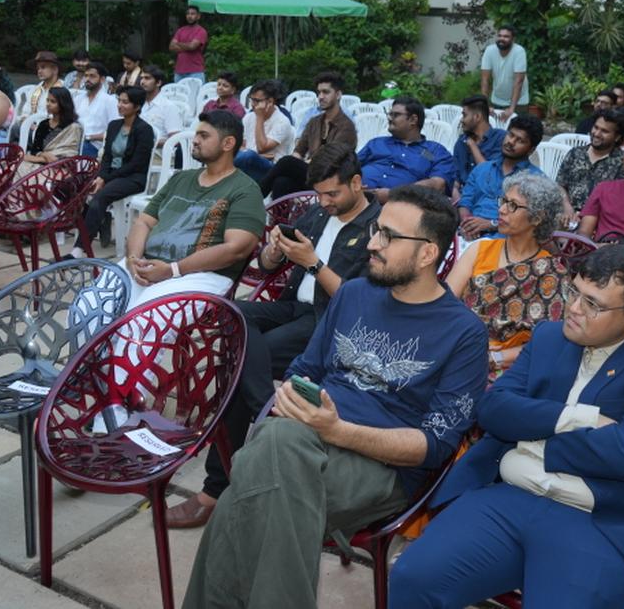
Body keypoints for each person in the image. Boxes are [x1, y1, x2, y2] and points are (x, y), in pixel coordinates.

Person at [182, 185, 487, 609]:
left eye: (387, 237)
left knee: (251, 480)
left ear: (427, 254)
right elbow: (302, 371)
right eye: (375, 230)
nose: (372, 243)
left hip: (382, 468)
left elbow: (434, 447)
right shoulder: (354, 293)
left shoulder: (464, 334)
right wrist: (294, 400)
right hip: (307, 439)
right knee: (275, 457)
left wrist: (336, 430)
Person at [390, 244, 624, 609]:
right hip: (509, 498)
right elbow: (493, 410)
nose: (574, 309)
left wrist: (533, 440)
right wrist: (580, 419)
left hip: (600, 521)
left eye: (593, 305)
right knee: (413, 578)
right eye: (575, 293)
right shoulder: (550, 337)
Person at [169, 143, 381, 529]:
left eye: (333, 193)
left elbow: (360, 304)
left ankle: (216, 488)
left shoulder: (377, 230)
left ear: (356, 182)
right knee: (231, 314)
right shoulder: (317, 213)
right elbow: (271, 263)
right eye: (318, 192)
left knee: (241, 357)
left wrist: (313, 263)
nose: (324, 201)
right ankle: (266, 405)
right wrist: (272, 252)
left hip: (330, 321)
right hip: (291, 306)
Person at [114, 109, 265, 308]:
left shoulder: (245, 190)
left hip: (198, 276)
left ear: (228, 143)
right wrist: (132, 259)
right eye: (196, 134)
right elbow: (143, 222)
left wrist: (173, 270)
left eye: (204, 136)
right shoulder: (180, 179)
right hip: (146, 265)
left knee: (138, 323)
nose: (195, 140)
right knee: (91, 309)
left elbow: (236, 249)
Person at [447, 171, 567, 376]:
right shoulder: (480, 249)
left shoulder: (552, 271)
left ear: (537, 217)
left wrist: (494, 359)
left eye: (512, 205)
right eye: (503, 201)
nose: (501, 210)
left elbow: (549, 341)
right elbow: (445, 305)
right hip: (459, 346)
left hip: (510, 367)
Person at [69, 85, 154, 260]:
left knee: (100, 196)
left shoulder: (144, 130)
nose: (120, 105)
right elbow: (107, 156)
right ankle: (101, 219)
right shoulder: (114, 125)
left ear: (137, 107)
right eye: (119, 101)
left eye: (125, 102)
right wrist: (101, 176)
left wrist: (104, 179)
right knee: (79, 188)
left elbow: (137, 164)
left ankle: (79, 249)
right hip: (110, 174)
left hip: (133, 177)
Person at [259, 72, 356, 199]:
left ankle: (253, 199)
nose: (320, 96)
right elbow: (299, 150)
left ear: (338, 95)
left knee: (287, 162)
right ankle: (280, 219)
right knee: (281, 182)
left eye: (326, 92)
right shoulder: (314, 122)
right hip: (311, 174)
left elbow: (331, 160)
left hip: (332, 178)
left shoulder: (347, 126)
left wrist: (297, 163)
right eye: (319, 92)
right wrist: (297, 160)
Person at [458, 115, 544, 239]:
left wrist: (490, 224)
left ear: (531, 150)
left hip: (506, 241)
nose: (511, 142)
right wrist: (468, 224)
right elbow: (465, 202)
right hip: (469, 235)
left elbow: (528, 222)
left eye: (520, 140)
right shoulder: (482, 169)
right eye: (510, 135)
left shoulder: (536, 180)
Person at [359, 96, 457, 202]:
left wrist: (394, 195)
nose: (389, 118)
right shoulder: (376, 143)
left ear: (413, 120)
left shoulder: (432, 152)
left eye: (395, 115)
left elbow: (438, 184)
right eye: (390, 114)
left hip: (404, 206)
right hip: (358, 201)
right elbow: (348, 166)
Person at [558, 109, 624, 211]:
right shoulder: (575, 153)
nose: (597, 133)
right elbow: (560, 185)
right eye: (596, 127)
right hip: (567, 214)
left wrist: (587, 216)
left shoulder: (622, 163)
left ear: (617, 137)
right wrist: (567, 207)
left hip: (600, 219)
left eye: (604, 131)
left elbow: (618, 200)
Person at [234, 79, 295, 182]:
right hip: (247, 163)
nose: (253, 104)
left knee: (248, 156)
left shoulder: (282, 121)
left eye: (257, 101)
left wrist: (260, 118)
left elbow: (262, 148)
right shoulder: (248, 117)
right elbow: (241, 145)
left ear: (270, 101)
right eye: (251, 99)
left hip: (271, 168)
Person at [16, 86, 83, 178]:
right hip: (39, 163)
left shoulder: (73, 127)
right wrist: (45, 155)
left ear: (63, 104)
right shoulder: (44, 124)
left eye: (53, 102)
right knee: (12, 167)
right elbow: (35, 150)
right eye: (47, 100)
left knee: (31, 177)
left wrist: (46, 158)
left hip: (60, 168)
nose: (48, 104)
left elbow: (68, 157)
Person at [453, 94, 507, 192]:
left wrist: (472, 145)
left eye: (464, 115)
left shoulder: (500, 138)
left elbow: (489, 174)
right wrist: (455, 191)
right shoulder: (461, 141)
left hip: (488, 195)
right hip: (463, 195)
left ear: (477, 117)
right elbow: (456, 175)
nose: (462, 120)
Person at [480, 25, 528, 122]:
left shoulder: (519, 51)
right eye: (499, 35)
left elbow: (519, 81)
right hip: (497, 98)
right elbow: (485, 80)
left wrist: (511, 108)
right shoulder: (490, 50)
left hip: (518, 102)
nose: (502, 38)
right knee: (496, 131)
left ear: (513, 39)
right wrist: (486, 105)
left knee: (516, 131)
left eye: (506, 36)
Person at [74, 61, 119, 158]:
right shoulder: (78, 98)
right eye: (86, 76)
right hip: (76, 141)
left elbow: (115, 131)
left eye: (92, 76)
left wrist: (89, 137)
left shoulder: (110, 101)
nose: (87, 79)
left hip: (96, 146)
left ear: (102, 79)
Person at [138, 66, 184, 145]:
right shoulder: (138, 104)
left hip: (158, 154)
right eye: (141, 78)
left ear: (158, 83)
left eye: (147, 78)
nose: (142, 82)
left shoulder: (168, 107)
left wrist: (148, 143)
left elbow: (175, 140)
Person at [171, 5, 208, 82]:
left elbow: (192, 46)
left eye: (192, 14)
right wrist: (187, 45)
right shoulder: (180, 30)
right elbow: (171, 47)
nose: (189, 16)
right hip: (179, 72)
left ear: (198, 16)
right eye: (188, 14)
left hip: (195, 71)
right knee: (179, 94)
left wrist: (178, 43)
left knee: (196, 94)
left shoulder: (201, 31)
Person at [22, 50, 64, 118]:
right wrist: (26, 121)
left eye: (43, 67)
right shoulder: (35, 89)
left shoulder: (63, 89)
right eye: (38, 68)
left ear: (55, 69)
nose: (39, 71)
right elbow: (25, 112)